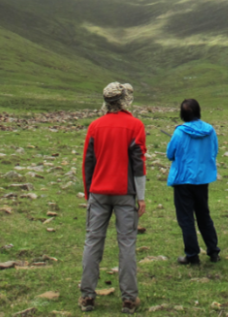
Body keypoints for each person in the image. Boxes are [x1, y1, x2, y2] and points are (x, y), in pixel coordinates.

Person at [79, 82, 147, 314]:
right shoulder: (135, 125)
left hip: (98, 192)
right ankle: (129, 298)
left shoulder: (95, 126)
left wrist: (89, 193)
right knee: (126, 243)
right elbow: (139, 163)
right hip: (125, 193)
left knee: (93, 241)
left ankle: (87, 295)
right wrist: (141, 196)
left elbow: (88, 162)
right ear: (125, 100)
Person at [166, 98, 221, 265]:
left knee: (186, 218)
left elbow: (170, 154)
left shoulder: (179, 132)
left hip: (183, 180)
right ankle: (213, 251)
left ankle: (192, 255)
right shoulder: (210, 130)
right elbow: (214, 151)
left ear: (182, 114)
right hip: (202, 179)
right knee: (204, 215)